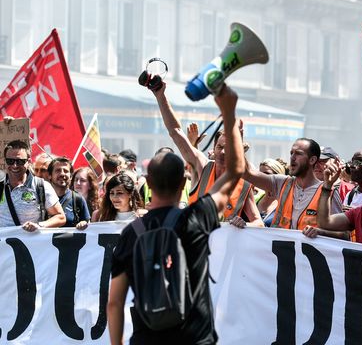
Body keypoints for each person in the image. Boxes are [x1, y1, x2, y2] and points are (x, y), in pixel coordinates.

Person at [108, 84, 244, 345]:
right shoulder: (196, 217)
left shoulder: (130, 233)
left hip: (146, 338)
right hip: (194, 338)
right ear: (184, 183)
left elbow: (114, 303)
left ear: (147, 182)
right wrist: (228, 113)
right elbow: (236, 170)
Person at [151, 82, 262, 228]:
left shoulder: (244, 183)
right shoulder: (202, 166)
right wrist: (160, 96)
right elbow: (175, 132)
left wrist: (245, 224)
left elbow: (259, 223)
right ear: (213, 149)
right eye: (219, 147)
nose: (222, 152)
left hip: (223, 249)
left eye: (228, 148)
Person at [243, 137, 346, 239]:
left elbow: (344, 236)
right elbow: (247, 173)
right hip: (281, 252)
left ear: (312, 160)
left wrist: (320, 232)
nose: (292, 157)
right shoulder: (282, 183)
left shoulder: (328, 193)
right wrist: (236, 139)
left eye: (298, 153)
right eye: (291, 153)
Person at [0, 138, 66, 230]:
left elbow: (60, 217)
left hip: (30, 243)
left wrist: (39, 225)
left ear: (29, 162)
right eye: (10, 161)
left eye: (20, 161)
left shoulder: (41, 186)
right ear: (5, 161)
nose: (15, 166)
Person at [48, 157, 90, 229]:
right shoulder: (42, 198)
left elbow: (88, 225)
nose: (62, 174)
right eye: (58, 170)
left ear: (71, 176)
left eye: (66, 171)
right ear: (50, 176)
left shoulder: (78, 199)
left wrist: (84, 223)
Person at [255, 158, 286, 227]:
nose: (261, 177)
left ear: (278, 177)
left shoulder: (286, 202)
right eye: (260, 174)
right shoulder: (254, 198)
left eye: (267, 174)